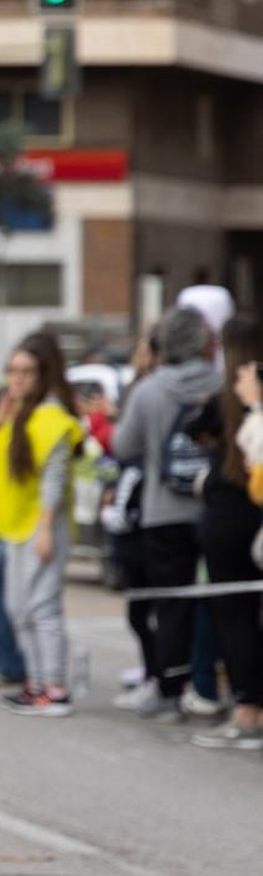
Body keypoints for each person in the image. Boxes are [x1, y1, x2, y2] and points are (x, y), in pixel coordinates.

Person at [111, 306, 223, 721]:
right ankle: (214, 684)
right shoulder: (221, 383)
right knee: (220, 601)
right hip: (215, 508)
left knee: (171, 603)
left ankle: (170, 690)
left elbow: (124, 447)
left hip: (164, 511)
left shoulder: (151, 389)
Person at [0, 333, 83, 715]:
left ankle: (54, 689)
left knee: (42, 607)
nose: (16, 379)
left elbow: (54, 480)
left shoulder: (51, 419)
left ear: (43, 374)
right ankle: (35, 684)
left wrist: (46, 528)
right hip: (14, 527)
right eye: (12, 371)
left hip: (41, 528)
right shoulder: (14, 413)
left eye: (26, 372)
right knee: (18, 607)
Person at [185, 321, 263, 749]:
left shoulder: (237, 399)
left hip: (229, 517)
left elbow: (192, 427)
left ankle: (248, 711)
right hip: (250, 517)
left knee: (233, 617)